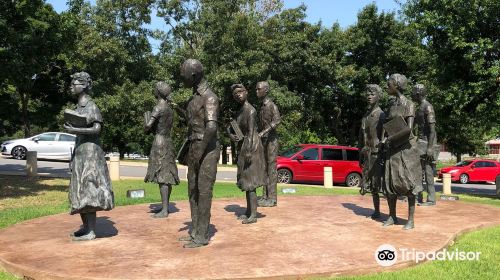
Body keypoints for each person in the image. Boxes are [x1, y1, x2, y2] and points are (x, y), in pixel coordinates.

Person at [63, 72, 114, 241]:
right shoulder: (78, 107)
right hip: (80, 150)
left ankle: (91, 231)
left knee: (89, 187)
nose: (71, 86)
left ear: (84, 85)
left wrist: (74, 130)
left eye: (74, 83)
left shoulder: (92, 106)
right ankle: (85, 228)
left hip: (91, 152)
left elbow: (97, 130)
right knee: (79, 188)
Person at [178, 59, 220, 248]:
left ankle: (202, 235)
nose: (181, 78)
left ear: (193, 75)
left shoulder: (209, 97)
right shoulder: (193, 98)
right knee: (192, 190)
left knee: (203, 191)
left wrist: (200, 151)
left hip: (207, 148)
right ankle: (195, 230)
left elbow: (211, 127)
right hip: (195, 146)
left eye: (183, 74)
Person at [380, 73, 423, 230]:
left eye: (389, 82)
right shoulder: (392, 105)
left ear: (396, 84)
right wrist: (384, 140)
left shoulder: (409, 104)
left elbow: (409, 129)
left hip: (406, 149)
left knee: (408, 183)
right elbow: (389, 126)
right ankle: (392, 216)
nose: (387, 85)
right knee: (390, 182)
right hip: (392, 149)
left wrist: (390, 139)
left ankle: (410, 220)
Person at [227, 84, 267, 224]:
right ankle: (249, 211)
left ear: (246, 92)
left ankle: (253, 215)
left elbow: (250, 132)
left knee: (251, 182)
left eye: (240, 92)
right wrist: (231, 134)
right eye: (235, 94)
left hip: (252, 146)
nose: (238, 95)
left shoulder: (250, 110)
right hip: (245, 145)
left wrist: (249, 151)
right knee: (246, 180)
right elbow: (236, 130)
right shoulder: (239, 111)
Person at [144, 82, 180, 218]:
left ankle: (164, 210)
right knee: (166, 174)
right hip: (168, 141)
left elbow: (148, 127)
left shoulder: (158, 107)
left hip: (160, 142)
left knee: (163, 176)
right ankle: (165, 206)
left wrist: (146, 120)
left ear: (158, 92)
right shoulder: (170, 109)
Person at [359, 84, 385, 219]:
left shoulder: (381, 115)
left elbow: (385, 135)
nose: (369, 96)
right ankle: (376, 211)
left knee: (376, 183)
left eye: (372, 94)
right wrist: (360, 153)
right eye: (368, 94)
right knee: (370, 185)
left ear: (379, 96)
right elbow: (361, 137)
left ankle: (381, 211)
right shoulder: (365, 116)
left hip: (376, 153)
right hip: (367, 152)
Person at [411, 84, 437, 206]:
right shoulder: (419, 108)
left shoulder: (428, 107)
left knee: (428, 172)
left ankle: (431, 199)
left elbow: (432, 130)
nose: (412, 95)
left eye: (413, 92)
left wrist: (430, 148)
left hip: (428, 143)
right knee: (418, 171)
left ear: (418, 93)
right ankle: (418, 196)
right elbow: (412, 125)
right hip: (420, 143)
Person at [256, 81, 281, 207]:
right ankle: (265, 196)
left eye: (258, 89)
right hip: (264, 140)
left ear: (265, 90)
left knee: (271, 169)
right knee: (264, 168)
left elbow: (277, 121)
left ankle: (272, 198)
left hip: (271, 140)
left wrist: (263, 132)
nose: (256, 91)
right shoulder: (261, 107)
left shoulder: (271, 106)